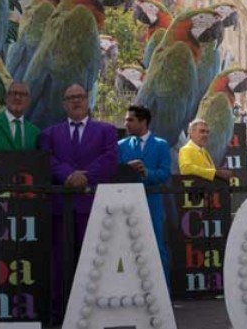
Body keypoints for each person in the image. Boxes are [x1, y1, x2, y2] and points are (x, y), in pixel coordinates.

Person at [39, 83, 118, 319]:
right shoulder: (49, 134)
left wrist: (85, 177)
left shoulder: (106, 131)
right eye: (71, 97)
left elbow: (110, 158)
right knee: (59, 262)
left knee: (94, 260)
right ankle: (59, 313)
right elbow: (47, 160)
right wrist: (68, 175)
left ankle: (94, 313)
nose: (76, 101)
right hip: (60, 209)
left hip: (93, 206)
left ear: (87, 100)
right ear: (64, 103)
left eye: (80, 97)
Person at [118, 104, 171, 286]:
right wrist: (127, 169)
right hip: (126, 204)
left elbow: (165, 174)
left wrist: (147, 173)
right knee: (127, 248)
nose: (126, 124)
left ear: (143, 122)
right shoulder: (121, 146)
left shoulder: (162, 145)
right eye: (126, 120)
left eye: (130, 120)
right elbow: (114, 173)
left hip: (152, 203)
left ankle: (164, 293)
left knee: (156, 247)